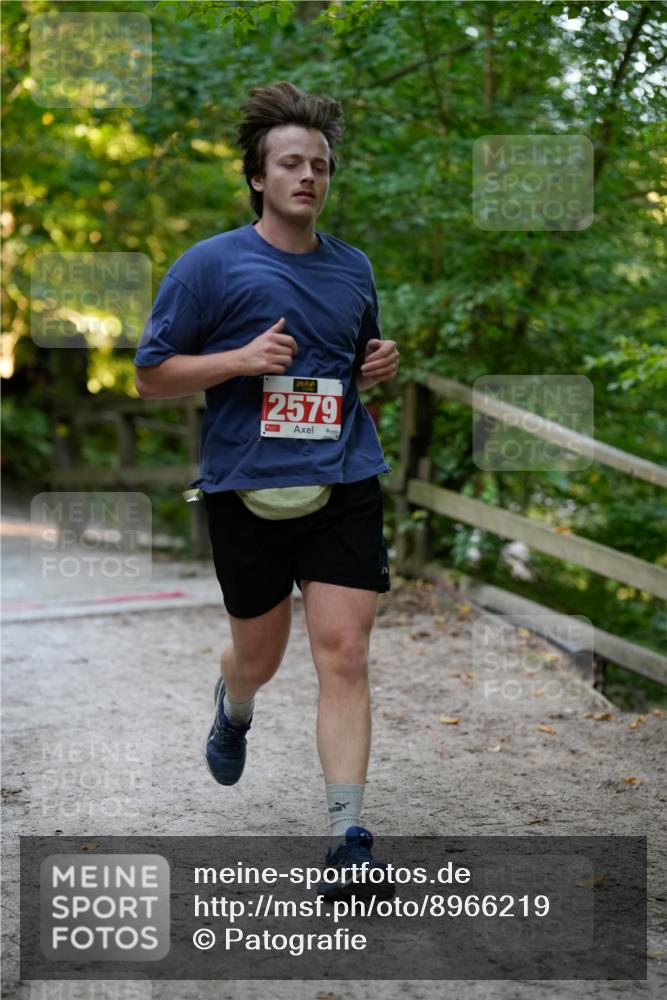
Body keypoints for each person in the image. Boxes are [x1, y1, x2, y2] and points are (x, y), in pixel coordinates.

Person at [134, 81, 399, 899]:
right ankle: (235, 701)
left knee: (343, 652)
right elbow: (151, 375)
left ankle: (347, 840)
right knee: (261, 655)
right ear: (257, 176)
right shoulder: (208, 266)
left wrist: (378, 366)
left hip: (344, 479)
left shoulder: (352, 268)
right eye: (290, 163)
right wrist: (239, 361)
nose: (307, 175)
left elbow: (354, 364)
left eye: (319, 164)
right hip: (246, 488)